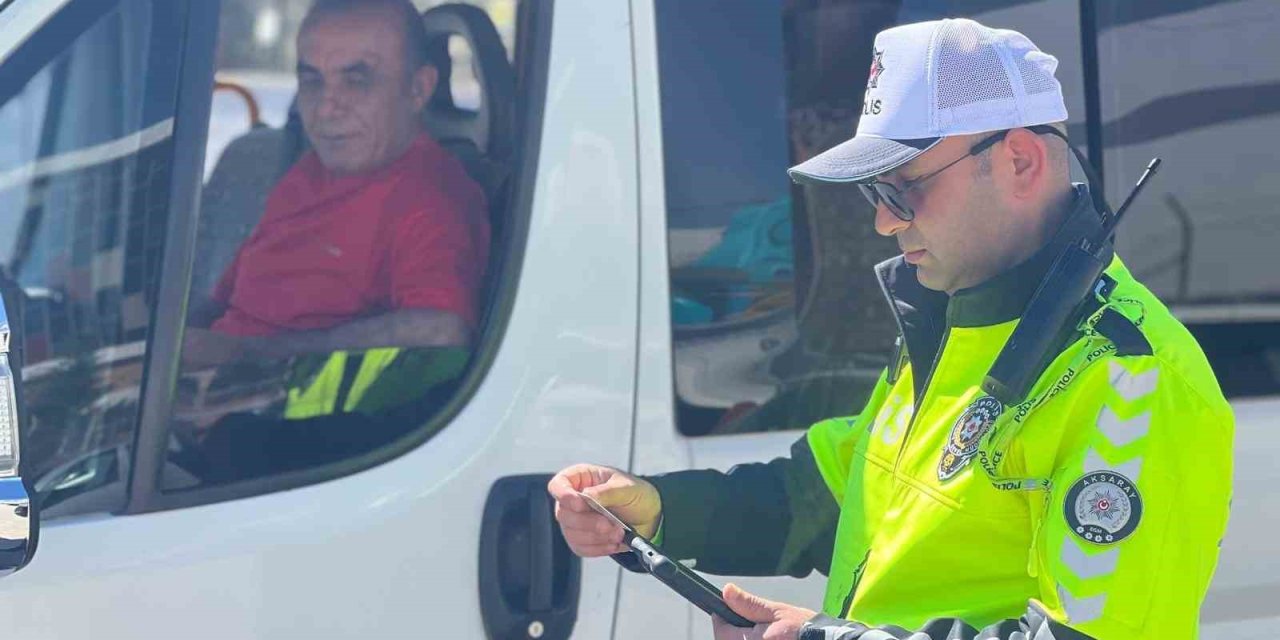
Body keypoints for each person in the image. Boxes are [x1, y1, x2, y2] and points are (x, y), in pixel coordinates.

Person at [548, 18, 1232, 640]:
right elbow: (836, 492)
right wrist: (660, 509)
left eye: (903, 187)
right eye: (874, 193)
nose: (884, 221)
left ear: (1021, 161)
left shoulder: (1135, 375)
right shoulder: (954, 317)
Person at [182, 0, 489, 370]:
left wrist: (250, 354)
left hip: (277, 412)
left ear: (419, 89)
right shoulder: (308, 171)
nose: (326, 109)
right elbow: (225, 303)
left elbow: (440, 332)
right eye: (312, 80)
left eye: (356, 80)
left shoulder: (431, 200)